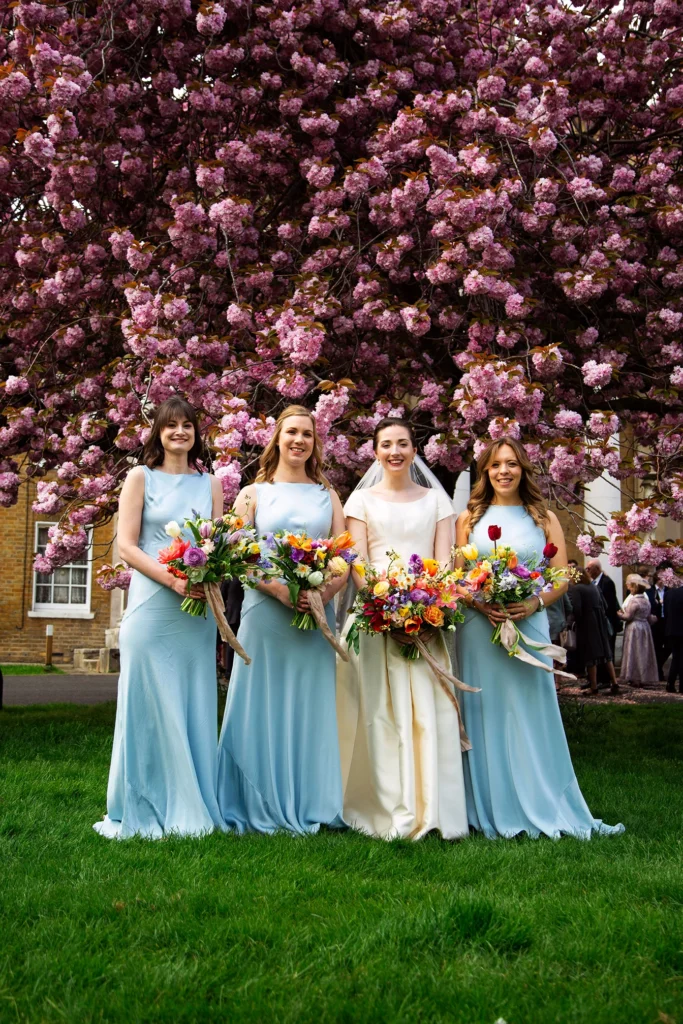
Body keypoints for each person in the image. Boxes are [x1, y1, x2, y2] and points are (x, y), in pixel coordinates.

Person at [455, 437, 624, 839]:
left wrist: (533, 604)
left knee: (529, 711)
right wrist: (481, 605)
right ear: (485, 472)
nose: (504, 472)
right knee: (484, 710)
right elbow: (459, 576)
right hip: (480, 626)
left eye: (511, 464)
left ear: (523, 469)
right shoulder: (469, 519)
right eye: (495, 465)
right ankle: (484, 807)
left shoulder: (543, 516)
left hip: (526, 623)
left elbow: (563, 574)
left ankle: (538, 798)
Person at [94, 397, 225, 839]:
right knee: (148, 704)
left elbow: (219, 544)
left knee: (192, 703)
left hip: (197, 611)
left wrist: (207, 574)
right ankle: (143, 801)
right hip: (153, 603)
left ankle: (194, 801)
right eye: (171, 426)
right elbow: (128, 547)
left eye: (188, 426)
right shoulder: (139, 477)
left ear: (196, 434)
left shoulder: (211, 485)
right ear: (159, 433)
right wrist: (172, 580)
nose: (180, 433)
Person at [216, 406, 348, 834]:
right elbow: (236, 552)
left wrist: (319, 595)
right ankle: (252, 799)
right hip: (264, 612)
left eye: (307, 434)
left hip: (314, 618)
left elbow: (344, 556)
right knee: (260, 702)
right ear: (277, 438)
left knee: (309, 705)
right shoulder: (254, 493)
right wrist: (280, 589)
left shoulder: (327, 496)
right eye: (291, 432)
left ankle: (310, 800)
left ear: (315, 443)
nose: (299, 440)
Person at [337, 418, 469, 841]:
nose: (395, 451)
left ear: (415, 450)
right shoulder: (359, 502)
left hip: (427, 620)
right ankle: (381, 805)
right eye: (386, 444)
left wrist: (428, 608)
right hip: (375, 621)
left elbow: (444, 563)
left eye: (403, 444)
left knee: (426, 713)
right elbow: (357, 563)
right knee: (378, 712)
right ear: (375, 451)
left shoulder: (437, 502)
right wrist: (384, 610)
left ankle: (434, 809)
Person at [569, 570, 621, 696]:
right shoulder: (594, 586)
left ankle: (593, 687)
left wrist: (572, 622)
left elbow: (577, 609)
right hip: (600, 621)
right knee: (606, 654)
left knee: (590, 655)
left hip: (587, 624)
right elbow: (605, 605)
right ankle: (614, 683)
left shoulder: (577, 588)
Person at [617, 574, 659, 688]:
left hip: (634, 628)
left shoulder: (634, 601)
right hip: (645, 627)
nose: (629, 588)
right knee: (643, 652)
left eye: (630, 586)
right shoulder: (646, 601)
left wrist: (619, 614)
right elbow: (649, 617)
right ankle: (643, 676)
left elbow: (628, 617)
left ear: (634, 587)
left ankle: (634, 677)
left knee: (634, 652)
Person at [585, 559, 622, 683]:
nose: (587, 570)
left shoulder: (607, 582)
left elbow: (610, 605)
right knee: (598, 651)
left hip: (607, 623)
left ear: (597, 569)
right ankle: (596, 679)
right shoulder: (593, 582)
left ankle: (606, 680)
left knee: (607, 650)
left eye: (589, 568)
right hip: (597, 622)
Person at [647, 569, 669, 680]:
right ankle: (658, 672)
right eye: (661, 578)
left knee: (669, 646)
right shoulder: (650, 591)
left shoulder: (669, 590)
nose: (662, 580)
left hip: (667, 621)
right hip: (656, 621)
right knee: (657, 646)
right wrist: (657, 603)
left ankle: (658, 665)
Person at [664, 583, 683, 693]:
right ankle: (681, 685)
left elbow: (666, 613)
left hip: (671, 630)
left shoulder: (669, 594)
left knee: (676, 657)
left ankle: (670, 683)